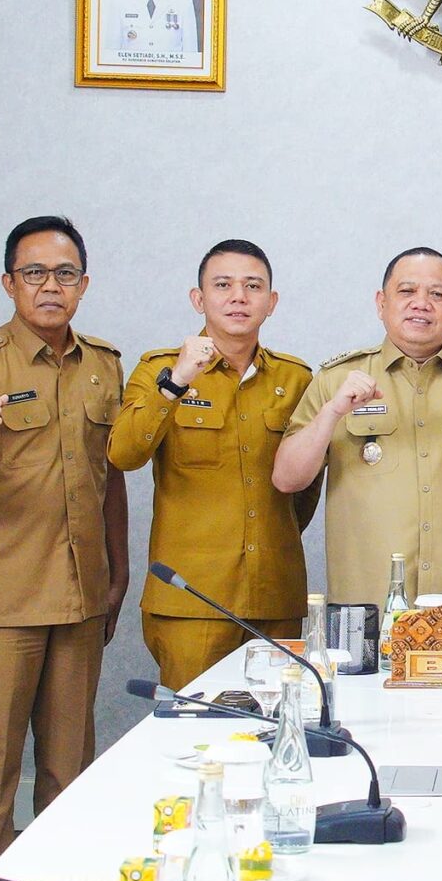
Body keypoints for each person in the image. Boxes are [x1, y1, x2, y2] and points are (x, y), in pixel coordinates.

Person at [0, 217, 128, 871]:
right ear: (9, 283)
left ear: (83, 284)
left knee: (70, 766)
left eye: (65, 274)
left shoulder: (104, 365)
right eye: (34, 273)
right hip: (0, 601)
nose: (50, 286)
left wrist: (118, 573)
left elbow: (111, 476)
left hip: (80, 594)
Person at [273, 247, 442, 606]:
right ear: (381, 303)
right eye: (407, 291)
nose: (421, 303)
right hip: (365, 606)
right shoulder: (336, 380)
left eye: (437, 294)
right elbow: (287, 479)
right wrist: (332, 412)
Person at [110, 239, 317, 688]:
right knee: (196, 724)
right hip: (192, 599)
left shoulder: (296, 378)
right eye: (223, 285)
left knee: (278, 720)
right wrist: (178, 380)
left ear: (271, 302)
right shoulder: (160, 368)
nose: (238, 297)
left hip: (275, 597)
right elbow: (124, 454)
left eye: (252, 286)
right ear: (198, 299)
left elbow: (304, 490)